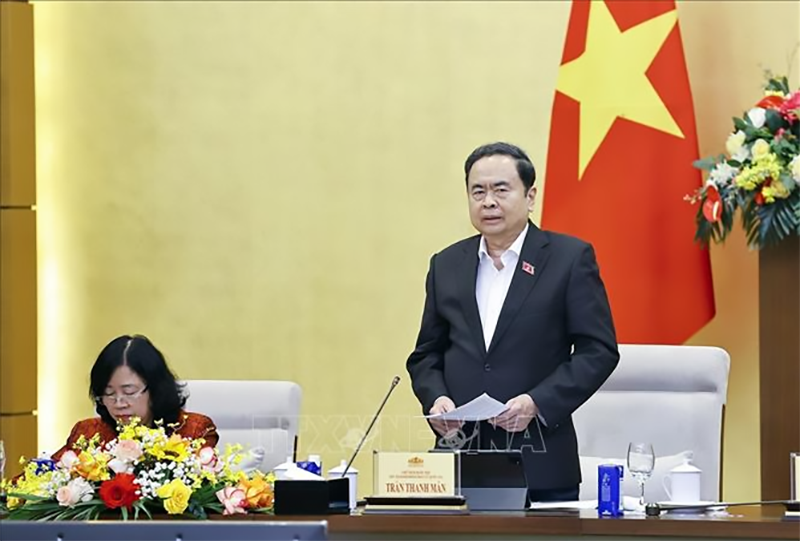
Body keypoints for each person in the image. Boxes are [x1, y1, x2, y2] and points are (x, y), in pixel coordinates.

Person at [406, 142, 619, 502]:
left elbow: (598, 351)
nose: (488, 202)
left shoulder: (569, 259)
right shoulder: (446, 264)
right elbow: (426, 354)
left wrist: (537, 402)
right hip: (459, 459)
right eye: (478, 191)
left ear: (530, 196)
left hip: (540, 461)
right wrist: (436, 398)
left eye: (501, 190)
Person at [50, 334, 218, 462]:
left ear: (155, 389)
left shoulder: (193, 431)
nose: (119, 403)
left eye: (129, 392)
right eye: (109, 393)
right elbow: (44, 478)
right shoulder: (87, 434)